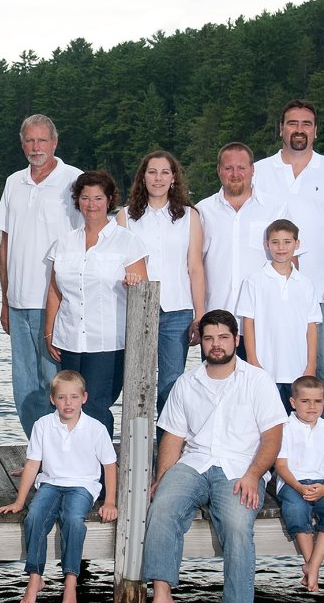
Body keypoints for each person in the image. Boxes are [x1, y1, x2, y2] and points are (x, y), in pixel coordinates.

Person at [141, 310, 287, 603]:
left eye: (223, 337)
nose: (216, 344)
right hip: (194, 462)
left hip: (240, 468)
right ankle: (163, 597)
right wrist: (163, 478)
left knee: (237, 524)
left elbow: (273, 438)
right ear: (201, 342)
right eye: (209, 338)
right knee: (162, 507)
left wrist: (254, 475)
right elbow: (173, 437)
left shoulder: (258, 381)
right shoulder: (186, 382)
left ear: (236, 340)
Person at [252, 101, 324, 431]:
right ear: (281, 129)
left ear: (315, 130)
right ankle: (275, 442)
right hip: (270, 290)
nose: (299, 130)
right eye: (292, 123)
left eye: (306, 124)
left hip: (320, 290)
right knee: (267, 368)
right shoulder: (260, 171)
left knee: (321, 369)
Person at [0, 370, 117, 603]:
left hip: (83, 486)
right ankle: (35, 577)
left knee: (73, 519)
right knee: (34, 517)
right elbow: (33, 464)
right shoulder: (43, 425)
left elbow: (109, 466)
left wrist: (110, 501)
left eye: (74, 397)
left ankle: (70, 581)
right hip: (50, 483)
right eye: (62, 397)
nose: (68, 403)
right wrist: (19, 501)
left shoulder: (96, 429)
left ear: (84, 398)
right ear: (53, 399)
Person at [42, 171, 149, 437]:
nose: (91, 204)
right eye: (85, 197)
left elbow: (143, 293)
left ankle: (102, 464)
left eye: (98, 198)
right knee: (69, 406)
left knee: (96, 407)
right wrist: (49, 332)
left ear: (109, 200)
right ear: (77, 200)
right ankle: (71, 459)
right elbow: (54, 290)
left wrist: (133, 282)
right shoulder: (64, 242)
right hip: (69, 339)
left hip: (107, 343)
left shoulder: (127, 241)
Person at [0, 114, 82, 437]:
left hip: (55, 303)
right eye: (30, 140)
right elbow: (5, 245)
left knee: (56, 383)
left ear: (55, 143)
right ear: (22, 145)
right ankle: (38, 449)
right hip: (18, 303)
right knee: (24, 386)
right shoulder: (13, 183)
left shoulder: (73, 181)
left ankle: (63, 449)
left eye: (42, 140)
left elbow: (84, 241)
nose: (36, 147)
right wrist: (5, 300)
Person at [117, 150, 206, 413]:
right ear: (143, 177)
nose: (158, 178)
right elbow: (118, 265)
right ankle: (136, 440)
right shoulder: (125, 217)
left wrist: (200, 314)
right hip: (138, 309)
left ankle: (167, 439)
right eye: (152, 172)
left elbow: (195, 267)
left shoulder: (189, 216)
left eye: (165, 172)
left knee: (171, 386)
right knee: (138, 383)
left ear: (173, 178)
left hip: (177, 311)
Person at [237, 219, 322, 412]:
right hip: (265, 368)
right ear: (266, 244)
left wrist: (311, 365)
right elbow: (248, 324)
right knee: (265, 417)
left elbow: (311, 327)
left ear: (297, 244)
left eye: (287, 242)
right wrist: (253, 361)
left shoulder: (306, 284)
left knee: (297, 419)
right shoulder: (254, 281)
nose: (281, 248)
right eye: (275, 242)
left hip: (298, 369)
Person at [273, 375, 324, 593]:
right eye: (305, 401)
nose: (312, 406)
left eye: (317, 401)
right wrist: (298, 487)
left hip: (322, 483)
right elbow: (281, 466)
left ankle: (313, 566)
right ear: (293, 402)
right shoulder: (284, 428)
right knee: (296, 509)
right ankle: (311, 563)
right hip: (292, 482)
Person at [196, 143, 277, 332]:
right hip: (216, 322)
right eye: (228, 168)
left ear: (252, 169)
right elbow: (193, 265)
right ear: (219, 170)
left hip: (263, 320)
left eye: (241, 168)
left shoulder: (275, 209)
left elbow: (290, 263)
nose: (235, 174)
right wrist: (198, 314)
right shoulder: (202, 211)